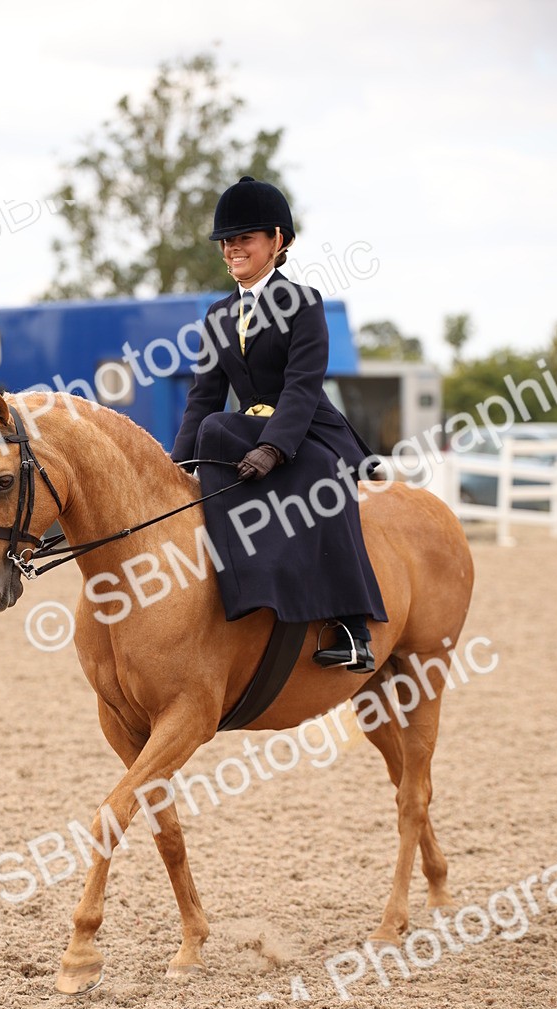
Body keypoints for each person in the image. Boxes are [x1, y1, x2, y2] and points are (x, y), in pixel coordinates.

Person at [171, 176, 387, 672]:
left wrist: (274, 448)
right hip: (248, 428)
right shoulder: (218, 315)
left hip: (305, 428)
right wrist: (176, 465)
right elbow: (203, 395)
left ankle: (354, 628)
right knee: (214, 431)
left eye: (244, 239)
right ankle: (247, 589)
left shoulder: (304, 303)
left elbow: (303, 385)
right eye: (227, 241)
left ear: (277, 241)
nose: (232, 249)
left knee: (319, 479)